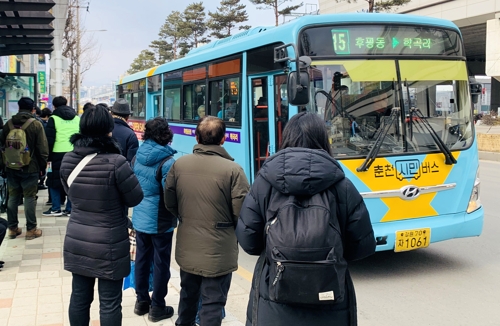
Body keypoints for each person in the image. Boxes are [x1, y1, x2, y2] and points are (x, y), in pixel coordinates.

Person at [236, 111, 376, 326]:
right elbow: (362, 246)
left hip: (273, 301)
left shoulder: (264, 183)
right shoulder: (342, 186)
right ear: (323, 140)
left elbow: (248, 242)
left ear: (287, 138)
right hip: (330, 305)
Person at [60, 105, 144, 326]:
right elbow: (135, 198)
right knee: (109, 302)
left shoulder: (68, 160)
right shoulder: (117, 163)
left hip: (77, 238)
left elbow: (71, 194)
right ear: (109, 130)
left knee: (79, 297)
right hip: (110, 243)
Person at [165, 116, 249, 326]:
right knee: (213, 303)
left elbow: (170, 202)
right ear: (223, 140)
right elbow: (241, 213)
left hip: (188, 246)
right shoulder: (233, 171)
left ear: (197, 137)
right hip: (219, 250)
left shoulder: (179, 165)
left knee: (188, 296)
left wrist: (185, 217)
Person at [131, 117, 177, 322]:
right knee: (161, 263)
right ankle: (158, 305)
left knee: (141, 258)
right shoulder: (168, 161)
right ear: (166, 134)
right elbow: (170, 195)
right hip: (160, 219)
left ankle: (141, 301)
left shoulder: (137, 155)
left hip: (140, 215)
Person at [1, 97, 48, 240]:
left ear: (18, 107)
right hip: (30, 167)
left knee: (13, 196)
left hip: (11, 166)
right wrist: (42, 166)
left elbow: (2, 146)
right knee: (29, 197)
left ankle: (12, 228)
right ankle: (31, 229)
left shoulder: (8, 124)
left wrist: (4, 165)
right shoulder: (35, 124)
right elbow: (42, 149)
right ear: (33, 109)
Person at [43, 96, 79, 217]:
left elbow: (49, 139)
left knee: (52, 179)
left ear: (54, 106)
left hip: (55, 154)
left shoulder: (53, 118)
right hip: (74, 153)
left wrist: (47, 157)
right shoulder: (77, 118)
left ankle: (56, 208)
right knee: (72, 180)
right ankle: (70, 209)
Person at [110, 99, 139, 163]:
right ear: (127, 117)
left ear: (111, 113)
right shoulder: (130, 135)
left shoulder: (104, 129)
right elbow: (132, 162)